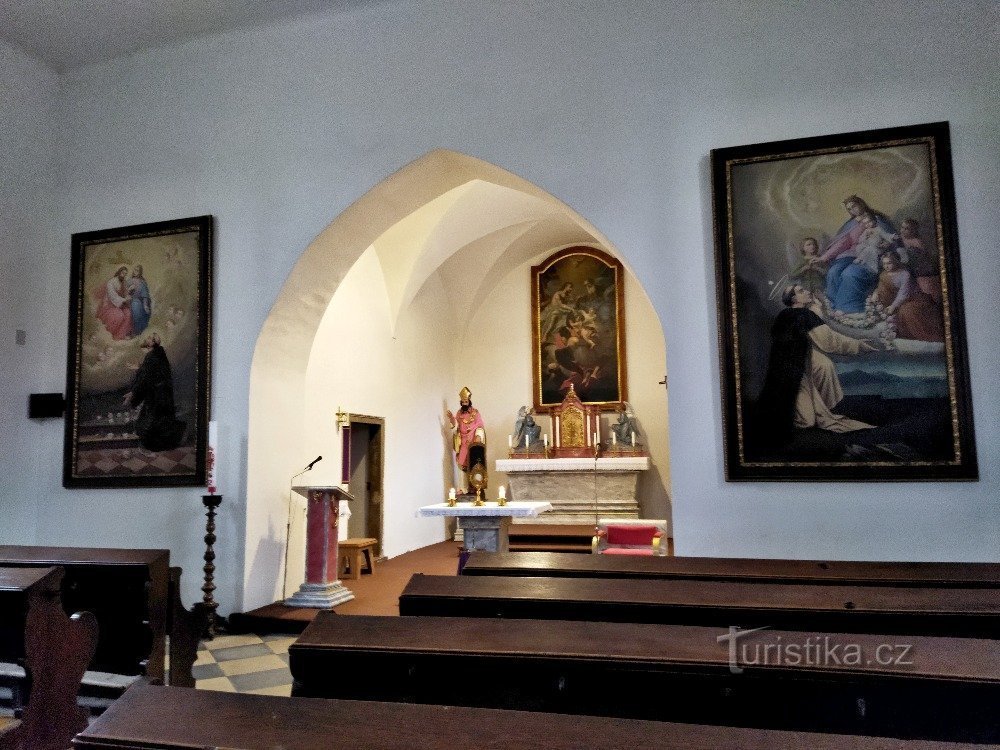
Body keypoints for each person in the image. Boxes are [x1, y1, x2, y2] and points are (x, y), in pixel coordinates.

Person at [754, 285, 878, 448]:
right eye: (801, 291)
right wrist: (859, 345)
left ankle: (814, 404)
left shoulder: (785, 315)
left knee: (825, 365)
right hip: (794, 369)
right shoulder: (805, 314)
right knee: (807, 421)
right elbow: (829, 341)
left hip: (788, 364)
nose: (806, 292)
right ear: (794, 299)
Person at [822, 196, 897, 312]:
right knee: (833, 272)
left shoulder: (877, 219)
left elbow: (890, 239)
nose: (853, 210)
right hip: (850, 255)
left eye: (854, 206)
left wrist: (885, 246)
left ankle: (850, 309)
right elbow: (843, 242)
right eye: (849, 209)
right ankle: (833, 307)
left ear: (861, 203)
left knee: (850, 274)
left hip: (871, 255)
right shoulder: (851, 224)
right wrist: (825, 257)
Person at [124, 332, 186, 451]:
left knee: (153, 420)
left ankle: (153, 444)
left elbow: (146, 377)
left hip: (157, 394)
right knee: (161, 418)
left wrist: (133, 392)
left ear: (152, 343)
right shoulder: (159, 354)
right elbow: (151, 370)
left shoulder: (151, 356)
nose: (147, 339)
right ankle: (163, 442)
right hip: (163, 393)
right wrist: (139, 368)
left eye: (149, 338)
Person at [873, 250, 944, 342]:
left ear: (896, 262)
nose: (886, 266)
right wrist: (876, 293)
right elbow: (880, 287)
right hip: (895, 300)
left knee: (907, 311)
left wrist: (894, 306)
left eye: (889, 263)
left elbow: (904, 293)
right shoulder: (884, 274)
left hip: (914, 298)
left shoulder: (904, 274)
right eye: (884, 263)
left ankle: (914, 334)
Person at [446, 386, 486, 476]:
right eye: (463, 402)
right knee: (462, 463)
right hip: (463, 442)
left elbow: (480, 425)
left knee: (474, 464)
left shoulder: (475, 413)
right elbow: (456, 425)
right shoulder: (459, 413)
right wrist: (452, 418)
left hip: (473, 441)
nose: (464, 404)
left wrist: (478, 436)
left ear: (469, 402)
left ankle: (475, 487)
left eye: (466, 402)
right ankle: (463, 489)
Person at [95, 266, 134, 340]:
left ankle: (119, 335)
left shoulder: (124, 282)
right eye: (123, 273)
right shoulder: (111, 282)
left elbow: (124, 293)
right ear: (119, 272)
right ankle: (110, 335)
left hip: (120, 303)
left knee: (129, 313)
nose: (124, 275)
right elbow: (113, 296)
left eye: (125, 274)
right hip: (110, 304)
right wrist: (124, 299)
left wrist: (129, 290)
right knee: (119, 315)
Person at [128, 265, 152, 335]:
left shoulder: (142, 282)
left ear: (140, 272)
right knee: (134, 305)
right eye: (134, 270)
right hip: (128, 300)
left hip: (138, 301)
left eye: (137, 270)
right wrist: (129, 290)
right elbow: (124, 292)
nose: (135, 272)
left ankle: (137, 331)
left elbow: (145, 295)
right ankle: (131, 331)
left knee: (136, 305)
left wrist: (145, 306)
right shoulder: (129, 281)